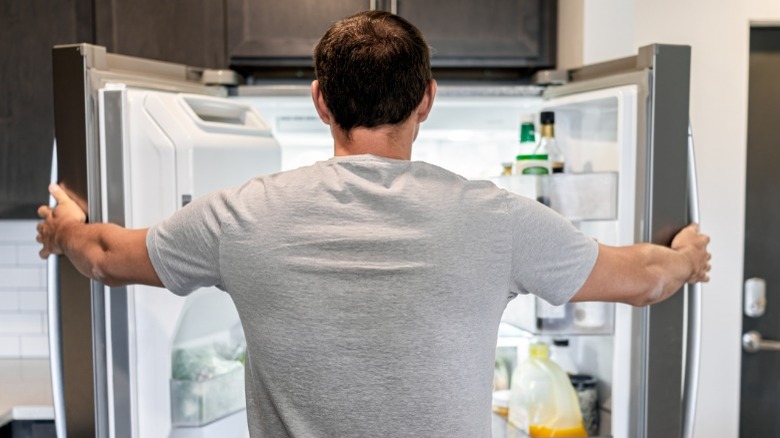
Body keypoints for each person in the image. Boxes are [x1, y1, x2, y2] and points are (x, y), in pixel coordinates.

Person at [36, 10, 710, 438]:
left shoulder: (241, 214)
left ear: (321, 101)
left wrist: (63, 227)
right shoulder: (497, 219)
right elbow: (642, 279)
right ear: (427, 100)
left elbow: (102, 254)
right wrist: (685, 257)